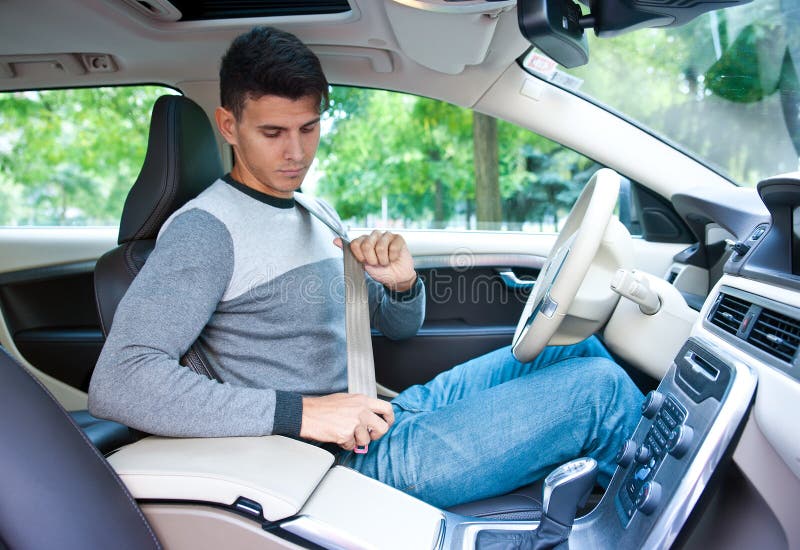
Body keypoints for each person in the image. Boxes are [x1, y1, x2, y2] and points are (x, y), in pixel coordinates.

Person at [89, 26, 644, 509]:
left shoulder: (311, 207)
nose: (296, 154)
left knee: (575, 348)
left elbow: (397, 328)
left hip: (381, 414)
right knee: (597, 391)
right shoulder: (204, 231)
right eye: (273, 132)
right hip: (333, 464)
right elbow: (120, 383)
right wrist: (305, 414)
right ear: (229, 126)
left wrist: (401, 287)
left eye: (308, 128)